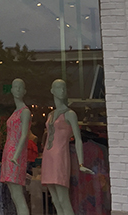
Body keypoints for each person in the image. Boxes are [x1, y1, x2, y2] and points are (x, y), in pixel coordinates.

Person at [41, 79, 94, 215]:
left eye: (64, 88)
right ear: (52, 91)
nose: (62, 91)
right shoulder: (50, 115)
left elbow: (78, 139)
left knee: (63, 198)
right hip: (48, 157)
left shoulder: (70, 114)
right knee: (55, 199)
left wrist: (81, 163)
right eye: (59, 88)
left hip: (60, 156)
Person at [0, 78, 31, 215]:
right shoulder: (15, 112)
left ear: (24, 91)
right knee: (13, 193)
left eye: (20, 87)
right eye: (15, 87)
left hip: (16, 155)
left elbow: (24, 135)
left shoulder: (25, 111)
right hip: (9, 152)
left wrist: (16, 156)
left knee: (18, 194)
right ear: (11, 90)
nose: (18, 89)